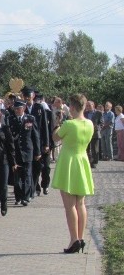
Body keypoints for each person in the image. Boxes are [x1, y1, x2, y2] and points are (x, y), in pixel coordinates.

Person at [51, 94, 94, 254]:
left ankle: (73, 239)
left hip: (69, 163)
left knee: (70, 207)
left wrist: (57, 123)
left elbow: (56, 137)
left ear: (73, 107)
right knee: (80, 204)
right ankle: (81, 238)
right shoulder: (89, 123)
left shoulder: (69, 124)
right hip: (82, 161)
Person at [7, 100, 41, 206]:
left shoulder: (30, 119)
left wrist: (38, 152)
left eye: (19, 108)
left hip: (27, 151)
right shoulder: (11, 119)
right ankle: (18, 196)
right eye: (15, 108)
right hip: (16, 152)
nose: (17, 110)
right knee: (16, 177)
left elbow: (35, 136)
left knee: (27, 174)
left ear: (24, 108)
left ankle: (26, 197)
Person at [85, 101, 103, 168]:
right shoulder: (85, 113)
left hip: (95, 133)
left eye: (89, 105)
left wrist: (96, 128)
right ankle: (88, 161)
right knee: (86, 148)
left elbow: (101, 123)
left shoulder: (98, 113)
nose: (88, 107)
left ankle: (94, 162)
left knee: (95, 149)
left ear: (93, 105)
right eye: (87, 105)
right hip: (86, 133)